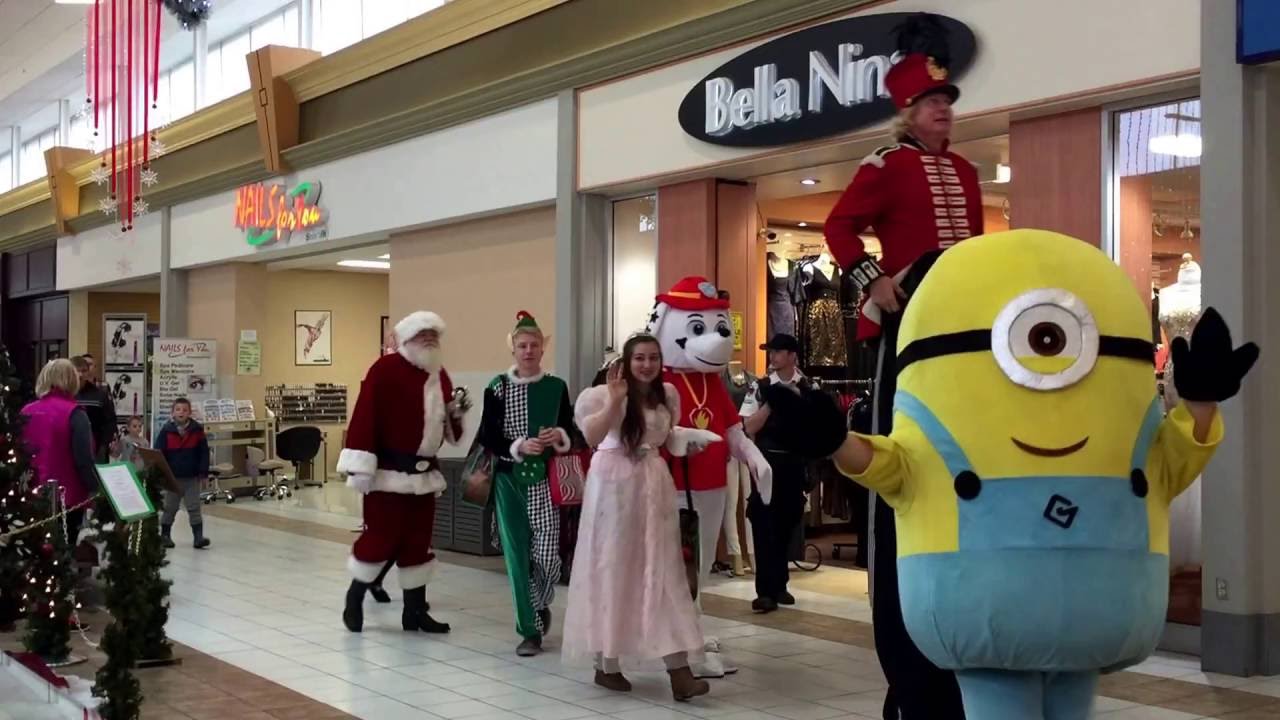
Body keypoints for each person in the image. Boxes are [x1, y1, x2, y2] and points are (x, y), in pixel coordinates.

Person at [821, 13, 981, 720]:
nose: (944, 114)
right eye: (933, 104)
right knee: (901, 464)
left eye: (948, 104)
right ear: (909, 111)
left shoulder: (970, 173)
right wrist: (872, 283)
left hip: (959, 330)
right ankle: (905, 670)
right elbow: (836, 228)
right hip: (906, 329)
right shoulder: (885, 167)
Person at [563, 333, 718, 702]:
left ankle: (679, 671)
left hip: (653, 487)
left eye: (652, 358)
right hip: (613, 488)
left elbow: (665, 439)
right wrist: (614, 400)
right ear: (628, 363)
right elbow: (591, 435)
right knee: (613, 569)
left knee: (662, 572)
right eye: (639, 359)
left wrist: (690, 443)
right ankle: (608, 663)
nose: (646, 365)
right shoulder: (602, 395)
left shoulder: (667, 395)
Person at [339, 311, 466, 635]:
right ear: (407, 338)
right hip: (386, 475)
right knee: (380, 540)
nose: (429, 340)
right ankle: (354, 599)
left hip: (424, 476)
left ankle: (414, 612)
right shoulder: (385, 370)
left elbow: (449, 430)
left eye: (434, 335)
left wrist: (457, 413)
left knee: (417, 544)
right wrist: (361, 469)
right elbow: (365, 416)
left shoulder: (439, 374)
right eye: (423, 334)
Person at [478, 311, 578, 657]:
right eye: (522, 345)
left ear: (542, 348)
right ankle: (529, 629)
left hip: (546, 481)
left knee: (549, 555)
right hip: (508, 480)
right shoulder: (497, 387)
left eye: (534, 345)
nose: (529, 350)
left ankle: (539, 601)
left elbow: (572, 431)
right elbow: (487, 436)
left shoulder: (556, 387)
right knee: (517, 557)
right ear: (513, 349)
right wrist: (518, 445)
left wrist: (558, 435)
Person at [739, 334, 813, 613]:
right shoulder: (760, 387)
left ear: (793, 355)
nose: (773, 356)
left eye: (778, 351)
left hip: (795, 464)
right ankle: (765, 591)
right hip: (768, 464)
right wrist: (772, 403)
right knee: (763, 522)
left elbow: (815, 426)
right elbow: (748, 427)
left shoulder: (807, 386)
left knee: (788, 522)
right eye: (770, 351)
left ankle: (780, 584)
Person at [21, 359, 101, 544]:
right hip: (68, 496)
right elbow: (84, 460)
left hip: (30, 494)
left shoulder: (26, 411)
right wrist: (95, 488)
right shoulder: (75, 414)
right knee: (64, 548)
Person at [155, 398, 211, 549]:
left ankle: (198, 537)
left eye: (185, 410)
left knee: (194, 507)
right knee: (170, 507)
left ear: (190, 413)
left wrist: (203, 472)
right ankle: (165, 535)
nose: (181, 412)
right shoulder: (166, 431)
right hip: (172, 478)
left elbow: (204, 453)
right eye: (178, 409)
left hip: (192, 477)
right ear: (172, 413)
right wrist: (160, 473)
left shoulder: (197, 431)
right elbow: (159, 453)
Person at [71, 355, 117, 463]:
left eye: (84, 371)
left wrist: (104, 445)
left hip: (97, 450)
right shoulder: (65, 395)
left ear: (88, 372)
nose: (80, 374)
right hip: (70, 449)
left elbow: (110, 421)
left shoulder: (100, 394)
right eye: (77, 371)